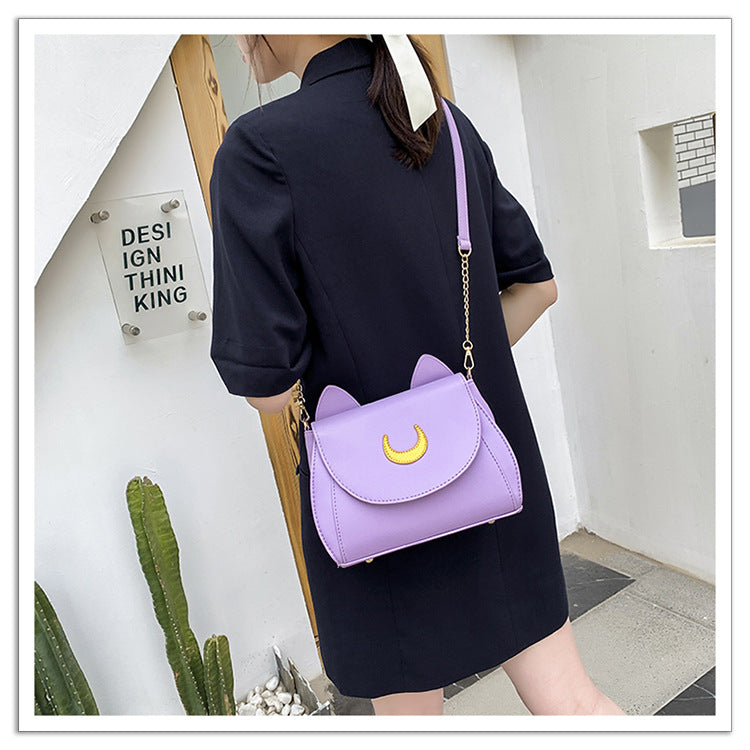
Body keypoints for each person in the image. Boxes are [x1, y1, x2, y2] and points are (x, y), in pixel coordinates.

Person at [210, 33, 625, 717]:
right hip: (488, 473)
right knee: (574, 705)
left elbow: (269, 388)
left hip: (372, 507)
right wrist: (453, 388)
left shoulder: (258, 150)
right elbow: (537, 287)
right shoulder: (444, 124)